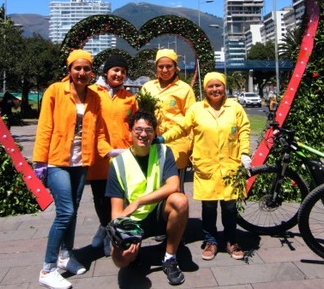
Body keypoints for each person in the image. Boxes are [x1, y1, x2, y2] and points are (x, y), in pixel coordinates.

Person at [33, 49, 112, 289]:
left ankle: (66, 256)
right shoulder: (56, 91)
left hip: (82, 161)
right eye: (77, 68)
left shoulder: (95, 98)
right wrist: (40, 161)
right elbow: (45, 125)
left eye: (86, 69)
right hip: (58, 160)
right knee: (65, 212)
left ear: (91, 72)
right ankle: (48, 268)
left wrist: (108, 150)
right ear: (69, 70)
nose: (82, 72)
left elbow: (98, 131)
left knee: (73, 211)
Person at [162, 72, 251, 261]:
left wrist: (245, 153)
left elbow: (244, 129)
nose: (215, 89)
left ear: (224, 87)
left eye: (218, 85)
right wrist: (162, 138)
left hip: (230, 165)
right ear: (205, 89)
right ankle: (211, 241)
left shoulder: (234, 107)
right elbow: (181, 128)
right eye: (211, 86)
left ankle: (231, 240)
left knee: (230, 207)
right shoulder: (196, 109)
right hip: (206, 166)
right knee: (209, 207)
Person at [105, 110, 189, 286]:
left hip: (159, 213)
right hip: (134, 221)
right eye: (138, 129)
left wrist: (139, 201)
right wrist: (121, 240)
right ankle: (133, 254)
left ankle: (169, 257)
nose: (143, 134)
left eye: (149, 130)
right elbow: (116, 212)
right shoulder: (118, 164)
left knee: (180, 200)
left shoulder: (164, 151)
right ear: (130, 132)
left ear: (155, 133)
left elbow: (174, 185)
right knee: (119, 260)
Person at [88, 54, 138, 257]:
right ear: (106, 72)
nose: (119, 74)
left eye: (123, 72)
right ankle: (105, 228)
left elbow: (135, 125)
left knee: (121, 200)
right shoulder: (92, 93)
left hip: (124, 157)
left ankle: (113, 232)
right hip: (99, 157)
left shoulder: (130, 98)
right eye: (115, 70)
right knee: (101, 199)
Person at [140, 49, 196, 191]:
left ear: (176, 67)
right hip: (151, 144)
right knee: (153, 188)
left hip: (177, 146)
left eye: (169, 66)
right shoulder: (147, 87)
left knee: (175, 189)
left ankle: (177, 213)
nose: (165, 70)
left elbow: (191, 119)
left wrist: (190, 146)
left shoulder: (185, 89)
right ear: (156, 68)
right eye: (161, 66)